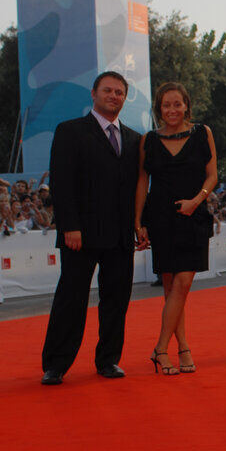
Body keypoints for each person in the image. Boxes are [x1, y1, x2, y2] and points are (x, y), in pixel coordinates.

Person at [40, 71, 141, 385]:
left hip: (121, 235)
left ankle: (109, 359)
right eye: (108, 91)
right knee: (71, 299)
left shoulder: (136, 139)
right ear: (94, 94)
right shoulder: (71, 131)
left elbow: (139, 187)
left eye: (120, 92)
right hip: (79, 235)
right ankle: (56, 364)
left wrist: (140, 225)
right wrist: (69, 225)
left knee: (116, 300)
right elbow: (61, 182)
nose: (114, 96)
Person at [134, 82, 218, 375]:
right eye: (166, 105)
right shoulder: (149, 140)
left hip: (193, 216)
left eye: (177, 104)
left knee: (183, 283)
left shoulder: (202, 133)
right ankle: (182, 348)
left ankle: (159, 348)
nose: (172, 110)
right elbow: (143, 181)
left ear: (186, 106)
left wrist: (196, 201)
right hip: (161, 218)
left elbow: (212, 176)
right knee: (172, 290)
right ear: (159, 109)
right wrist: (138, 221)